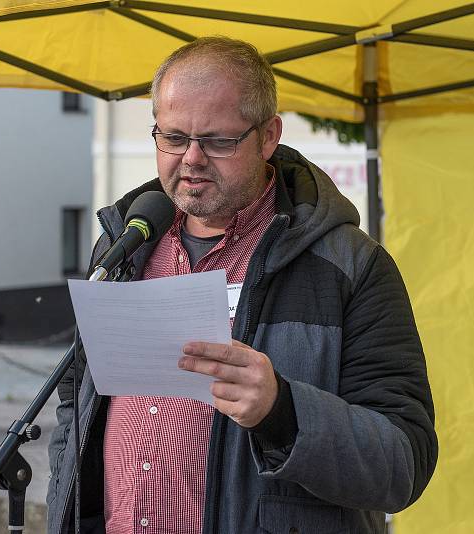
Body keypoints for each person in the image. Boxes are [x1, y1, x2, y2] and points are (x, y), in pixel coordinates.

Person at [47, 36, 437, 534]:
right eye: (172, 137)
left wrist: (283, 411)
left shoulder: (352, 267)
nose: (191, 159)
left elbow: (404, 465)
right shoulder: (124, 247)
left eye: (217, 141)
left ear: (268, 136)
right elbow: (75, 401)